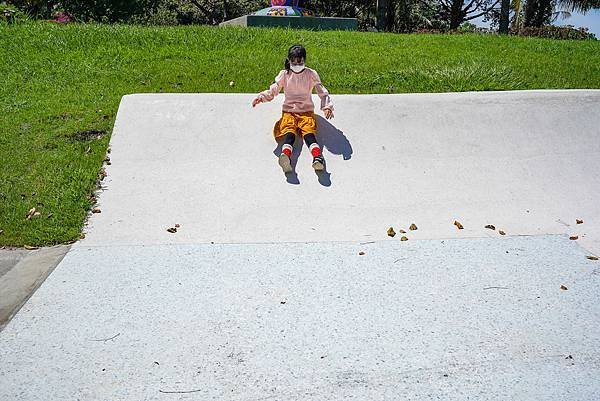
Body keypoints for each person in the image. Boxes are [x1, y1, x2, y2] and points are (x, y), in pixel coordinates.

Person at [252, 44, 334, 173]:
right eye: (294, 62)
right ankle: (285, 156)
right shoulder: (285, 74)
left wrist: (327, 106)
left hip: (306, 111)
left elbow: (321, 91)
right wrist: (262, 97)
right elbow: (274, 89)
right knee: (290, 133)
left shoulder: (310, 74)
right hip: (289, 111)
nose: (297, 64)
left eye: (300, 61)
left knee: (309, 134)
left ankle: (317, 158)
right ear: (289, 61)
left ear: (304, 60)